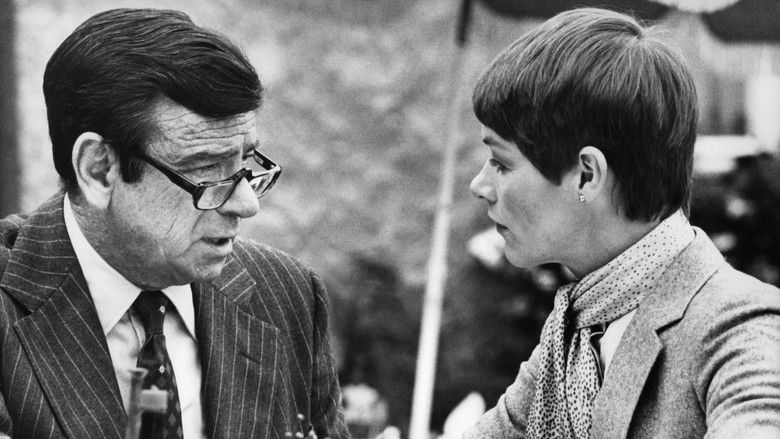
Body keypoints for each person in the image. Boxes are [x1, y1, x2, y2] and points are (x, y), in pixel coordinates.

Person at [0, 8, 349, 439]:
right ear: (99, 169)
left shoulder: (288, 295)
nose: (246, 205)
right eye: (206, 171)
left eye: (245, 163)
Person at [465, 8, 780, 439]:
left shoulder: (741, 325)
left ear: (587, 175)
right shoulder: (572, 334)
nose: (479, 185)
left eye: (501, 162)